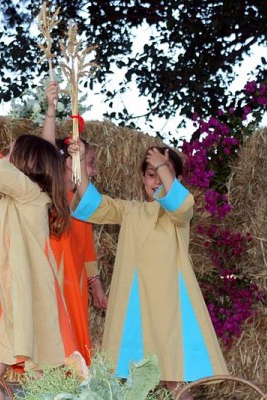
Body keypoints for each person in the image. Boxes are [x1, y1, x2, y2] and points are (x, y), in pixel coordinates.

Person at [69, 141, 228, 398]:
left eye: (164, 174)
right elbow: (92, 202)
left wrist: (163, 165)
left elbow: (183, 205)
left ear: (177, 179)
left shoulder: (178, 215)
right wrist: (78, 164)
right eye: (151, 174)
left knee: (174, 379)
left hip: (169, 308)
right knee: (131, 381)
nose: (156, 181)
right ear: (142, 178)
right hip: (135, 307)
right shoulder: (131, 211)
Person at [0, 98, 83, 400]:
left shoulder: (25, 192)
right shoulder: (28, 193)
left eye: (11, 152)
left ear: (27, 165)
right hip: (20, 293)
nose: (4, 156)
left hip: (23, 294)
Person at [41, 82, 108, 365]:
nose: (93, 170)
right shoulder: (48, 196)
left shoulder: (83, 202)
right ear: (71, 162)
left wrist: (96, 284)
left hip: (75, 283)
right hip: (51, 280)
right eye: (89, 162)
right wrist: (51, 108)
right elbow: (44, 152)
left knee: (76, 350)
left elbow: (87, 247)